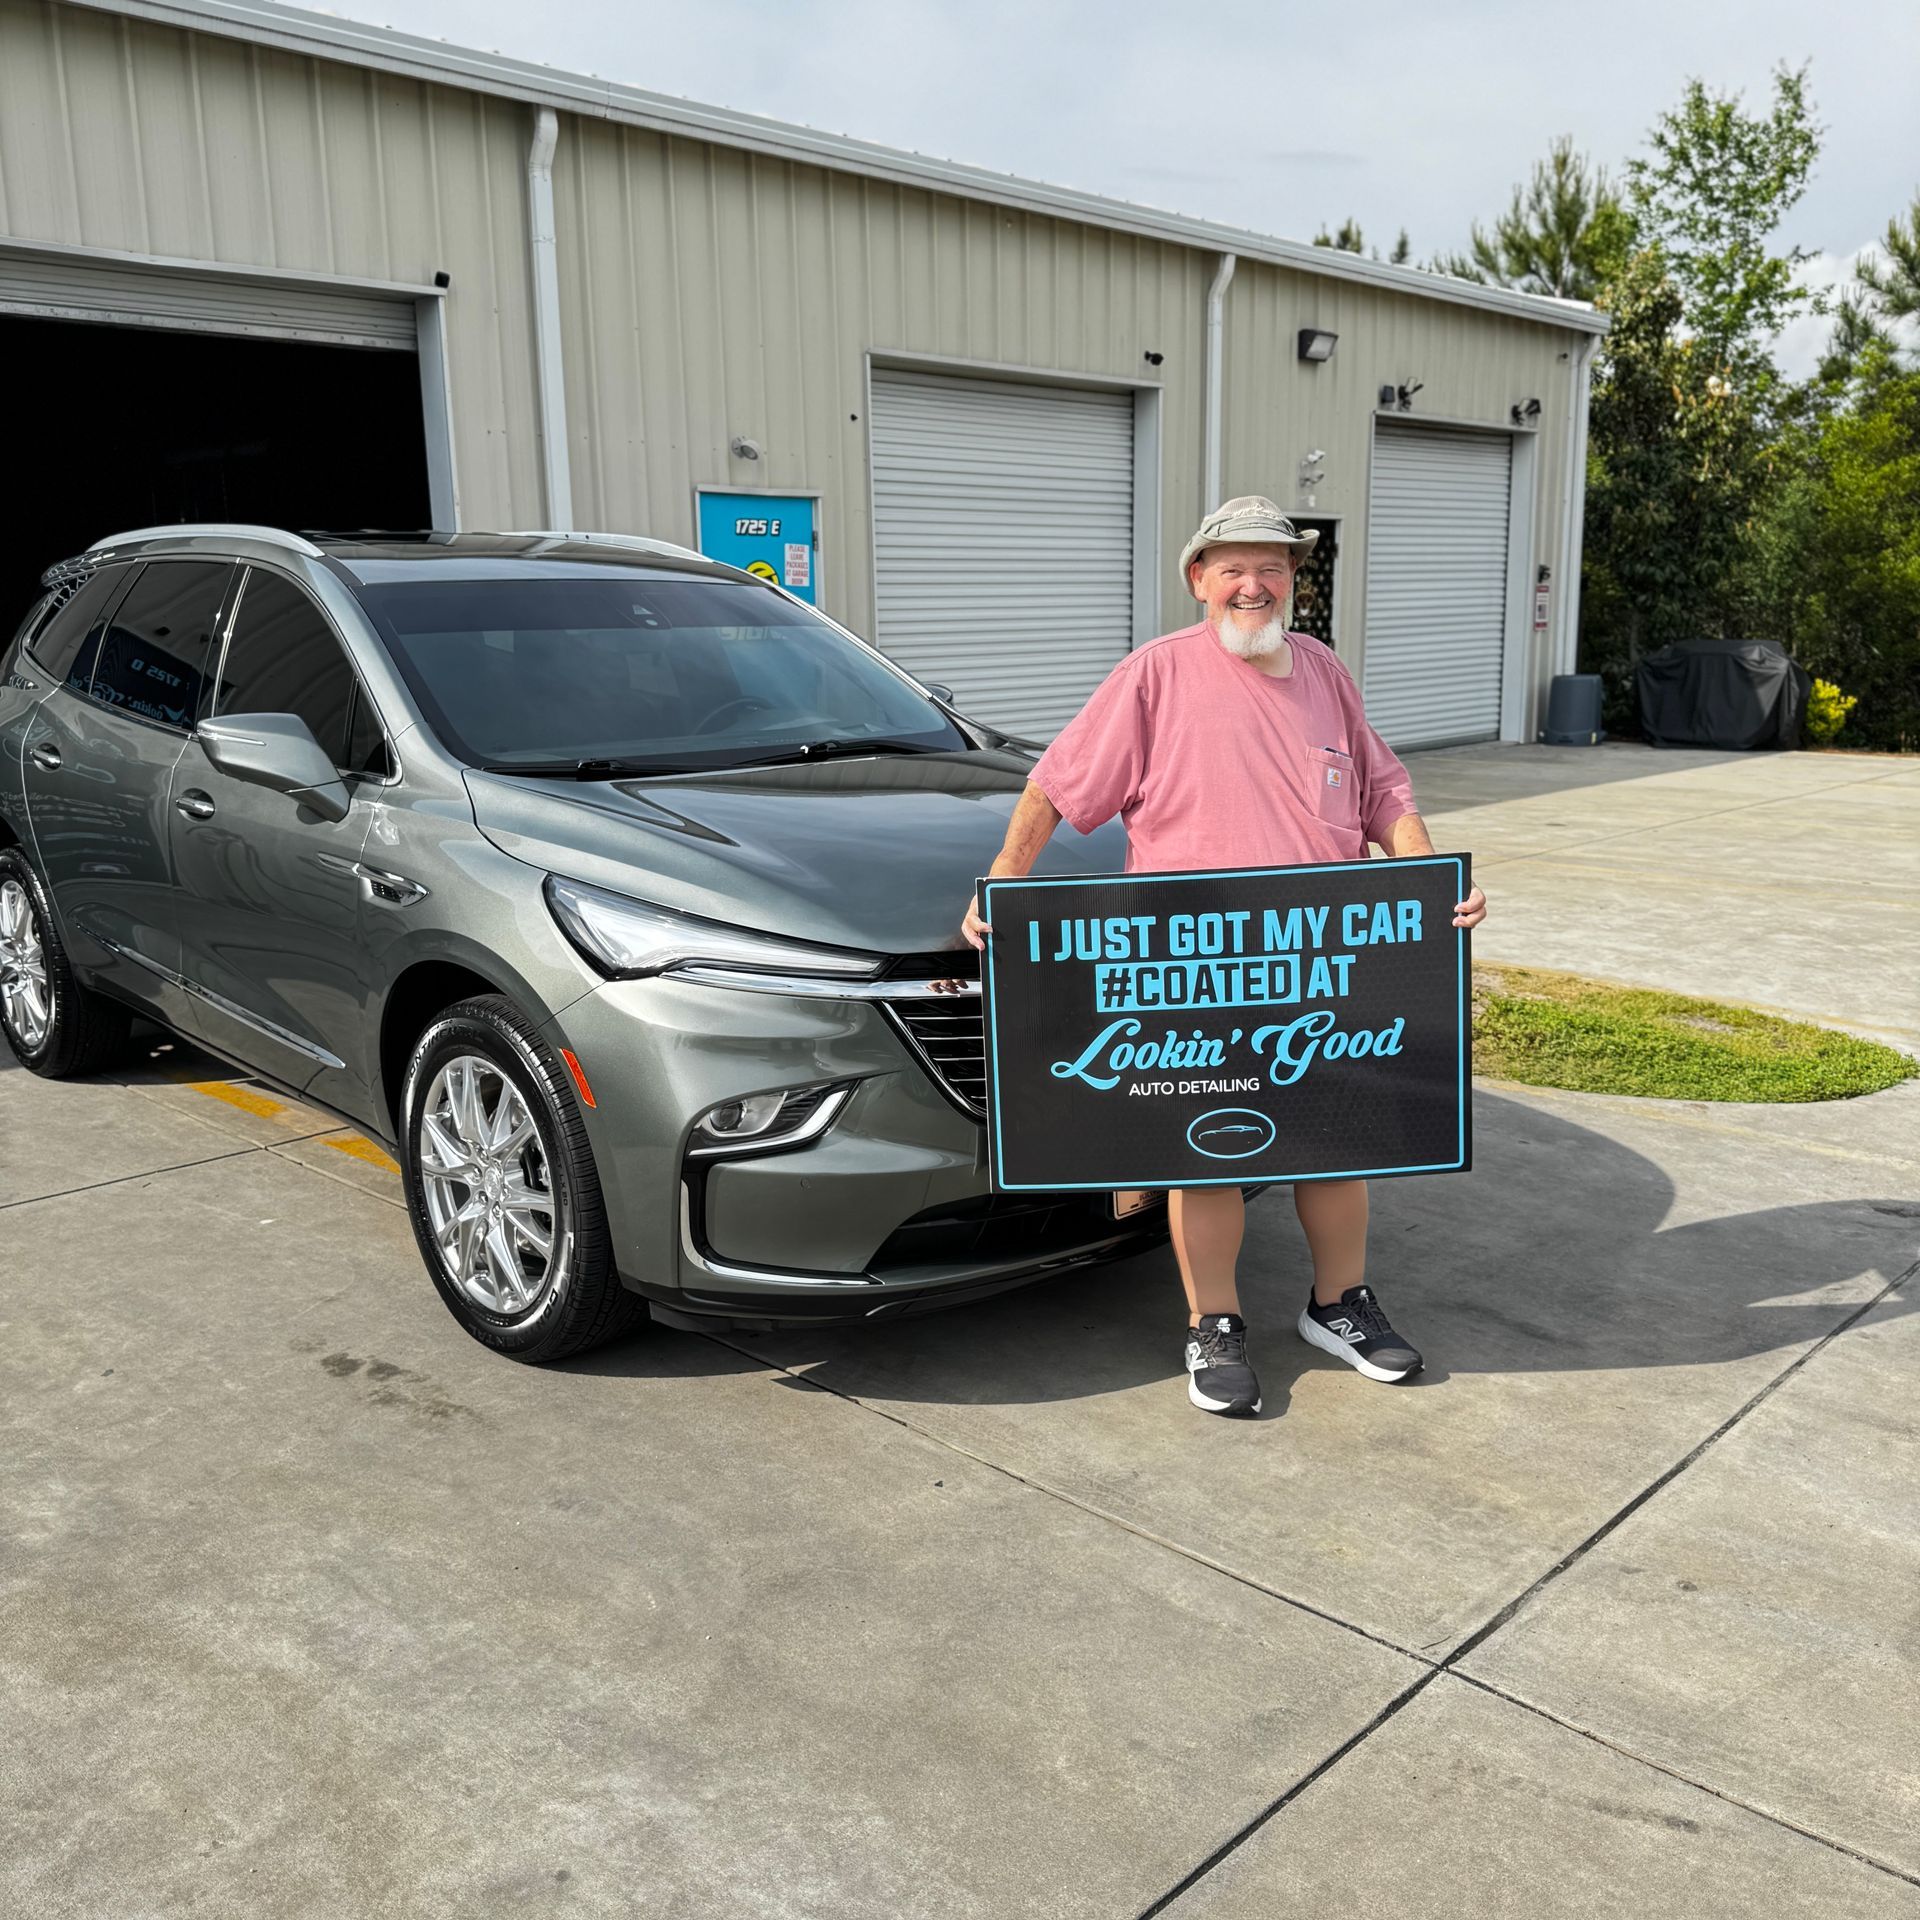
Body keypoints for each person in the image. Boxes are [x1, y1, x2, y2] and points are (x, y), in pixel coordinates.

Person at [960, 496, 1488, 1418]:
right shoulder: (1154, 676)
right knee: (1203, 1152)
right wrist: (1002, 879)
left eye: (1273, 567)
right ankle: (1215, 1324)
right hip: (1191, 962)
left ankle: (1339, 1305)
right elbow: (1059, 782)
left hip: (1326, 961)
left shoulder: (1324, 670)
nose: (1255, 584)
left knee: (1336, 1142)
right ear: (1200, 580)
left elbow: (1382, 786)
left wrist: (1425, 878)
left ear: (1293, 580)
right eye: (1233, 567)